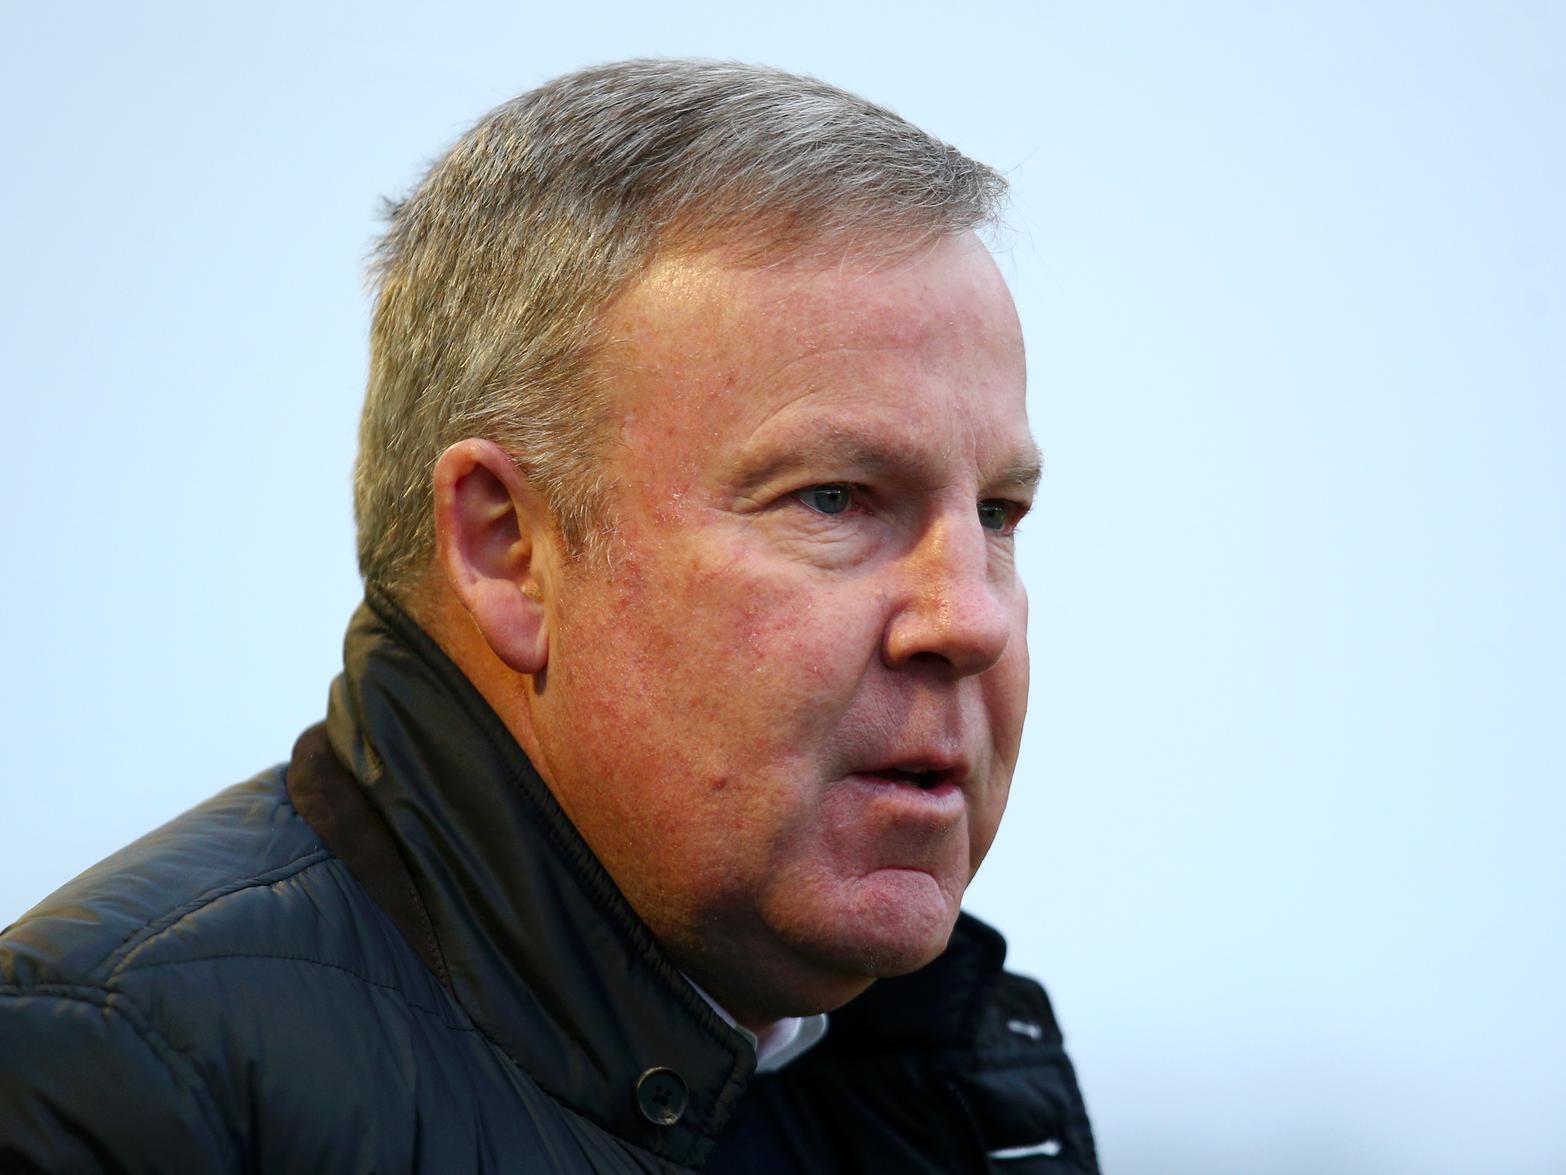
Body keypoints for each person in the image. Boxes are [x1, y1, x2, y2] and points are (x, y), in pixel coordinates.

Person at [0, 59, 1098, 1172]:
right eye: (834, 499)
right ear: (506, 549)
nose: (970, 619)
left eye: (997, 513)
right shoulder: (109, 1080)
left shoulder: (938, 1089)